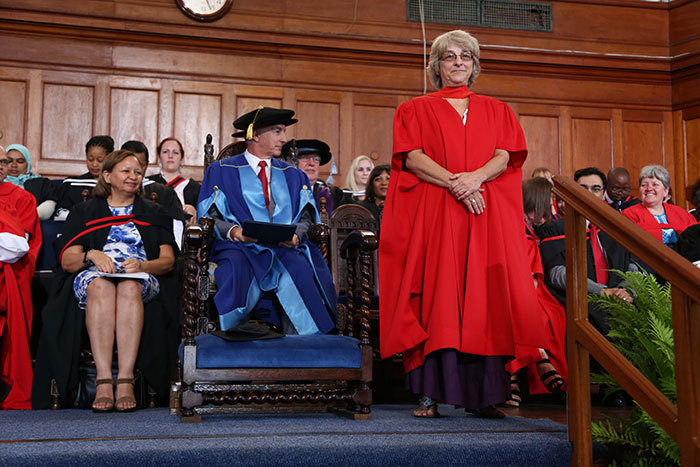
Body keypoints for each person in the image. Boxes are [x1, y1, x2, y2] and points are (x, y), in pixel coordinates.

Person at [379, 29, 547, 419]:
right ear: (436, 66)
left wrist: (475, 179)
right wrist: (459, 183)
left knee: (484, 301)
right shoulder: (414, 109)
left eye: (465, 57)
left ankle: (483, 395)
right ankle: (429, 394)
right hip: (438, 214)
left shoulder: (498, 109)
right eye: (449, 57)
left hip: (484, 216)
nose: (458, 63)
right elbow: (413, 159)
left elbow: (505, 157)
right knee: (438, 294)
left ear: (474, 65)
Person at [31, 150, 179, 411]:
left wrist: (143, 265)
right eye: (126, 171)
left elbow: (167, 261)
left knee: (129, 286)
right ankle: (102, 380)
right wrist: (91, 254)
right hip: (93, 275)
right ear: (108, 175)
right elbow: (67, 261)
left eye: (138, 172)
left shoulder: (153, 211)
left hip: (140, 276)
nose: (134, 177)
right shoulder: (85, 211)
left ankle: (125, 380)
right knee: (100, 285)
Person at [197, 106, 337, 335]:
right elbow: (209, 216)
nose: (284, 138)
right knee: (236, 267)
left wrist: (296, 235)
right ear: (255, 135)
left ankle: (305, 343)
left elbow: (306, 216)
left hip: (284, 245)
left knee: (299, 266)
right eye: (277, 131)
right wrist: (235, 232)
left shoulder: (294, 174)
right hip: (238, 245)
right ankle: (236, 334)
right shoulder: (221, 170)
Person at [537, 167, 637, 335]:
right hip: (581, 301)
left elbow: (634, 266)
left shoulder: (618, 226)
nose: (589, 193)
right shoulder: (555, 229)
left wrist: (626, 292)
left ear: (604, 193)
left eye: (596, 189)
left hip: (621, 301)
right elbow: (557, 275)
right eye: (583, 188)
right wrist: (603, 292)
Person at [504, 177, 567, 408]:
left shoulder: (531, 228)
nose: (551, 209)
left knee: (554, 315)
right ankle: (539, 359)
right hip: (513, 286)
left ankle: (518, 376)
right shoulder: (514, 226)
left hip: (534, 286)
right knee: (526, 315)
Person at [0, 146, 42, 409]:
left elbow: (17, 246)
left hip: (9, 276)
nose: (0, 165)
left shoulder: (21, 198)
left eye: (2, 161)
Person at [121, 140, 186, 248]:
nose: (133, 175)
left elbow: (176, 227)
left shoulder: (164, 193)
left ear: (146, 164)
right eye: (127, 169)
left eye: (139, 167)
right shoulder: (107, 192)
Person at [621, 165, 697, 249]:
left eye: (655, 184)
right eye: (644, 185)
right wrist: (674, 233)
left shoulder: (682, 214)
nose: (649, 188)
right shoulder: (628, 215)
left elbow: (695, 237)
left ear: (666, 191)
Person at [147, 137, 201, 224]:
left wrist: (195, 213)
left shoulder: (194, 188)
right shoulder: (149, 184)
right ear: (159, 157)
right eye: (165, 152)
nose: (170, 156)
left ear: (182, 158)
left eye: (175, 152)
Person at [56, 135, 114, 216]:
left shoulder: (115, 184)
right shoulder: (72, 183)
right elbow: (60, 210)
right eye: (90, 159)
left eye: (100, 160)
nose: (94, 164)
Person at [4, 144, 59, 220]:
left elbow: (51, 203)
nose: (14, 165)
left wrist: (27, 217)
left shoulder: (41, 183)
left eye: (20, 161)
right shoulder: (1, 181)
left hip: (28, 223)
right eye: (9, 161)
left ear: (28, 163)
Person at [281, 139, 335, 215]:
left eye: (316, 159)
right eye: (305, 158)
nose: (312, 163)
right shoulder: (280, 191)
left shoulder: (332, 194)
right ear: (291, 162)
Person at [359, 164, 390, 229]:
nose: (384, 183)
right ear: (371, 185)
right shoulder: (362, 209)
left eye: (388, 179)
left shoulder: (403, 208)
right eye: (378, 179)